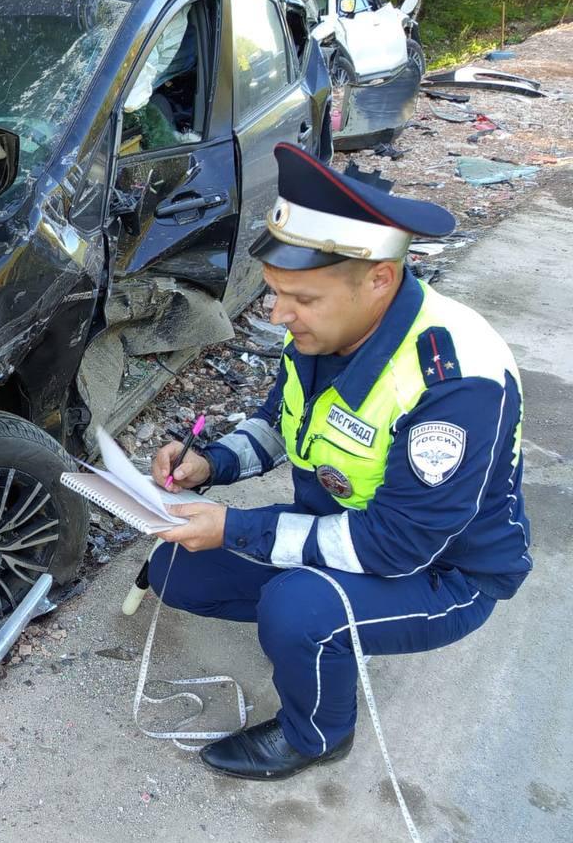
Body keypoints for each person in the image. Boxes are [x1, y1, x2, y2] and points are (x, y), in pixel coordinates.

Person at [145, 143, 531, 780]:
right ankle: (329, 620)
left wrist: (238, 529)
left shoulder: (455, 383)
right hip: (347, 533)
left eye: (299, 298)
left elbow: (395, 548)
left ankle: (319, 734)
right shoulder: (325, 328)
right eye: (274, 293)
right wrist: (211, 464)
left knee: (299, 610)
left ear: (379, 278)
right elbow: (279, 422)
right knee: (176, 569)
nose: (277, 315)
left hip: (446, 574)